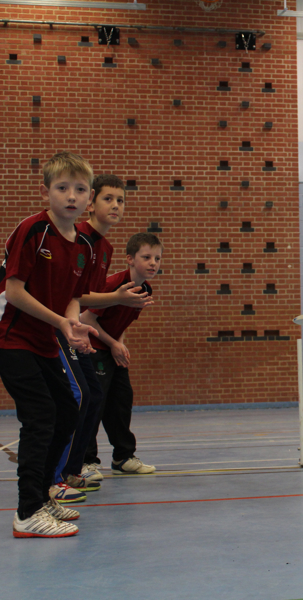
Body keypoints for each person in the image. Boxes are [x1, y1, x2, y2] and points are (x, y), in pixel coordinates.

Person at [0, 151, 99, 538]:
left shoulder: (85, 245)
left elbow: (73, 296)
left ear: (89, 198)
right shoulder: (33, 230)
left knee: (67, 412)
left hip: (44, 340)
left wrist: (72, 324)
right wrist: (60, 321)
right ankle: (27, 512)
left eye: (80, 189)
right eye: (62, 188)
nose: (71, 196)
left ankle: (41, 497)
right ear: (46, 193)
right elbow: (14, 292)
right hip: (11, 338)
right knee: (41, 416)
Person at [51, 174, 152, 503]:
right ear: (92, 203)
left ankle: (72, 470)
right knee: (75, 398)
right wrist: (114, 300)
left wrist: (84, 321)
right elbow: (77, 296)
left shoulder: (104, 247)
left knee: (93, 396)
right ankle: (58, 476)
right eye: (108, 199)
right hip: (49, 326)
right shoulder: (76, 236)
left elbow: (80, 296)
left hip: (70, 327)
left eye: (121, 200)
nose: (116, 205)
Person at [80, 233, 163, 476]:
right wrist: (112, 344)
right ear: (130, 259)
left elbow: (121, 322)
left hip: (111, 350)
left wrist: (120, 345)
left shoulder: (145, 289)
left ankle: (123, 457)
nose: (153, 263)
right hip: (93, 348)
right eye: (146, 257)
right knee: (95, 404)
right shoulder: (114, 285)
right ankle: (86, 460)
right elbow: (86, 318)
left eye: (157, 258)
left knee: (121, 401)